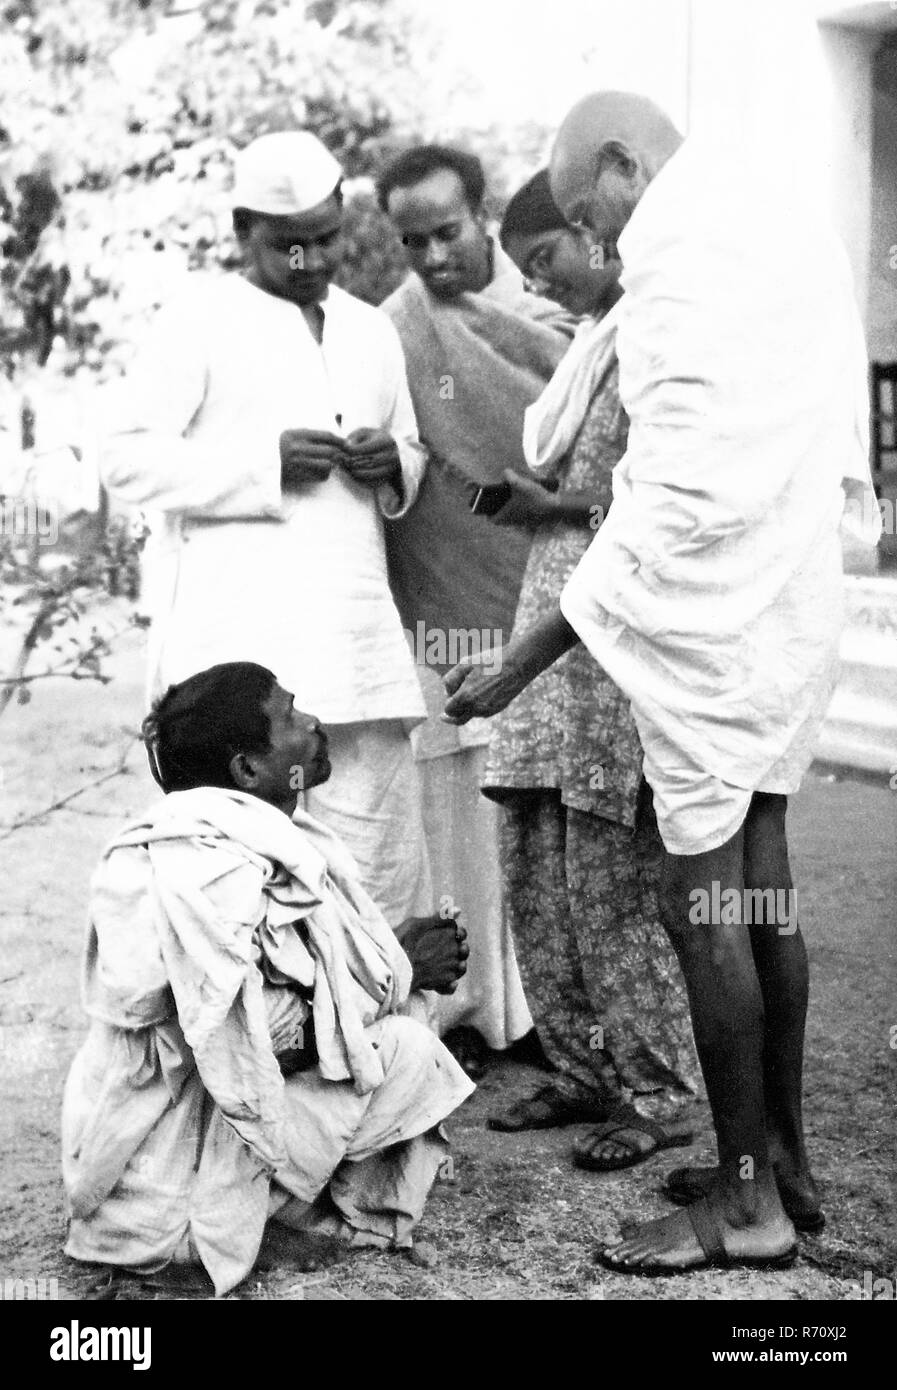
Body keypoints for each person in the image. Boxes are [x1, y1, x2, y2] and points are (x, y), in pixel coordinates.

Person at [443, 93, 879, 1273]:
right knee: (760, 895)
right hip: (786, 610)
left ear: (627, 167)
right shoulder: (776, 214)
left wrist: (526, 658)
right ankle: (778, 1161)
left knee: (707, 911)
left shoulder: (681, 256)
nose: (604, 245)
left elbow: (672, 499)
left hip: (712, 631)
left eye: (591, 214)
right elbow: (835, 440)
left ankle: (745, 1207)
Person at [98, 130, 431, 928]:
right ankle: (274, 1035)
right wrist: (261, 466)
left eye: (325, 239)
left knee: (378, 838)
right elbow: (123, 458)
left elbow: (411, 451)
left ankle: (397, 1025)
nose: (310, 260)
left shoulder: (368, 330)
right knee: (245, 861)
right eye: (289, 245)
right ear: (243, 229)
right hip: (241, 642)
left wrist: (395, 464)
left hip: (355, 638)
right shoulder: (198, 319)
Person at [62, 662, 474, 1296]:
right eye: (288, 717)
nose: (313, 723)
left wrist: (386, 955)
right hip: (166, 1190)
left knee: (404, 1040)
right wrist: (401, 969)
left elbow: (292, 976)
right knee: (405, 1048)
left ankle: (273, 1212)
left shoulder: (255, 837)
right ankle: (234, 1233)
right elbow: (259, 1045)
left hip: (172, 1156)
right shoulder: (210, 863)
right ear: (247, 771)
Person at [479, 170, 698, 1167]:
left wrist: (560, 508)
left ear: (590, 231)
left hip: (613, 625)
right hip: (547, 607)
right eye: (526, 273)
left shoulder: (660, 334)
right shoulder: (586, 350)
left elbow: (666, 502)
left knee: (609, 860)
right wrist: (537, 508)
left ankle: (656, 1088)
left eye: (548, 261)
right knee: (533, 843)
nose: (545, 284)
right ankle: (579, 1068)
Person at [376, 144, 574, 1062]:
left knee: (547, 804)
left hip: (549, 589)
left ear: (482, 215)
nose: (430, 257)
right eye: (411, 240)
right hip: (440, 581)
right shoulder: (396, 327)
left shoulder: (556, 313)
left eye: (446, 233)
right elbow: (398, 453)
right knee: (455, 799)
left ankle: (550, 1016)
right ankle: (463, 1006)